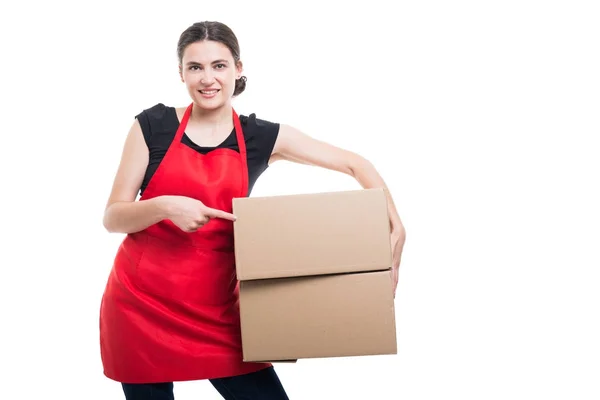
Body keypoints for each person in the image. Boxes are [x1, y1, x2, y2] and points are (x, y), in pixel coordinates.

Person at [99, 20, 406, 400]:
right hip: (139, 306)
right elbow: (113, 216)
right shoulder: (152, 126)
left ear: (238, 69)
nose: (207, 78)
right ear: (181, 73)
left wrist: (394, 221)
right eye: (195, 67)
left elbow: (354, 164)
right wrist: (163, 206)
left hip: (218, 313)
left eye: (219, 65)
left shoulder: (259, 136)